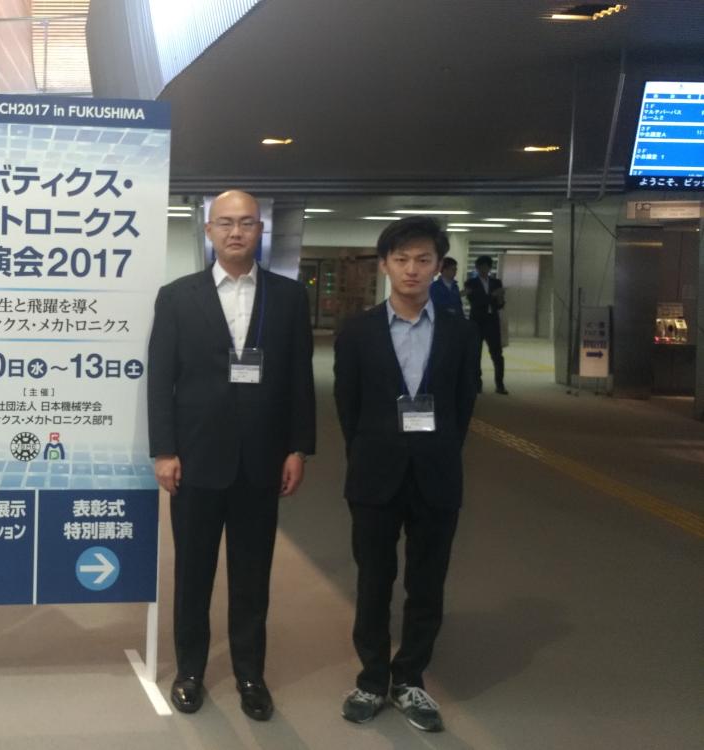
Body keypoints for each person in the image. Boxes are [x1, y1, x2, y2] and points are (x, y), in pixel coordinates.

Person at [147, 190, 316, 721]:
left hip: (262, 461)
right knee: (192, 574)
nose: (236, 232)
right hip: (196, 460)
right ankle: (190, 671)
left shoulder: (289, 297)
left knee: (252, 576)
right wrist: (164, 450)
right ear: (208, 231)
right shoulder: (177, 296)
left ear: (261, 229)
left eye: (246, 223)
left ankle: (249, 675)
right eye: (225, 223)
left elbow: (300, 378)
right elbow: (161, 378)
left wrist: (298, 446)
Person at [333, 217, 479, 733]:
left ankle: (410, 677)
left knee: (427, 582)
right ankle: (372, 679)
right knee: (373, 580)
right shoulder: (357, 331)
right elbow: (347, 406)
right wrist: (372, 451)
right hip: (374, 476)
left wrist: (436, 450)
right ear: (384, 266)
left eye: (423, 260)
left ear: (438, 266)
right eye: (401, 259)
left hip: (437, 475)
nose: (412, 269)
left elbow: (463, 403)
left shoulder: (461, 332)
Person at [462, 255, 507, 394]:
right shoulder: (471, 283)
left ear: (489, 268)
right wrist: (493, 296)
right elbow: (476, 302)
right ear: (476, 268)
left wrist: (500, 299)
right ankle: (477, 384)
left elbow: (500, 305)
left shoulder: (496, 282)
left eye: (486, 267)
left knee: (497, 354)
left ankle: (500, 384)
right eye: (481, 267)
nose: (484, 269)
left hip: (492, 321)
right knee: (476, 354)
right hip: (477, 321)